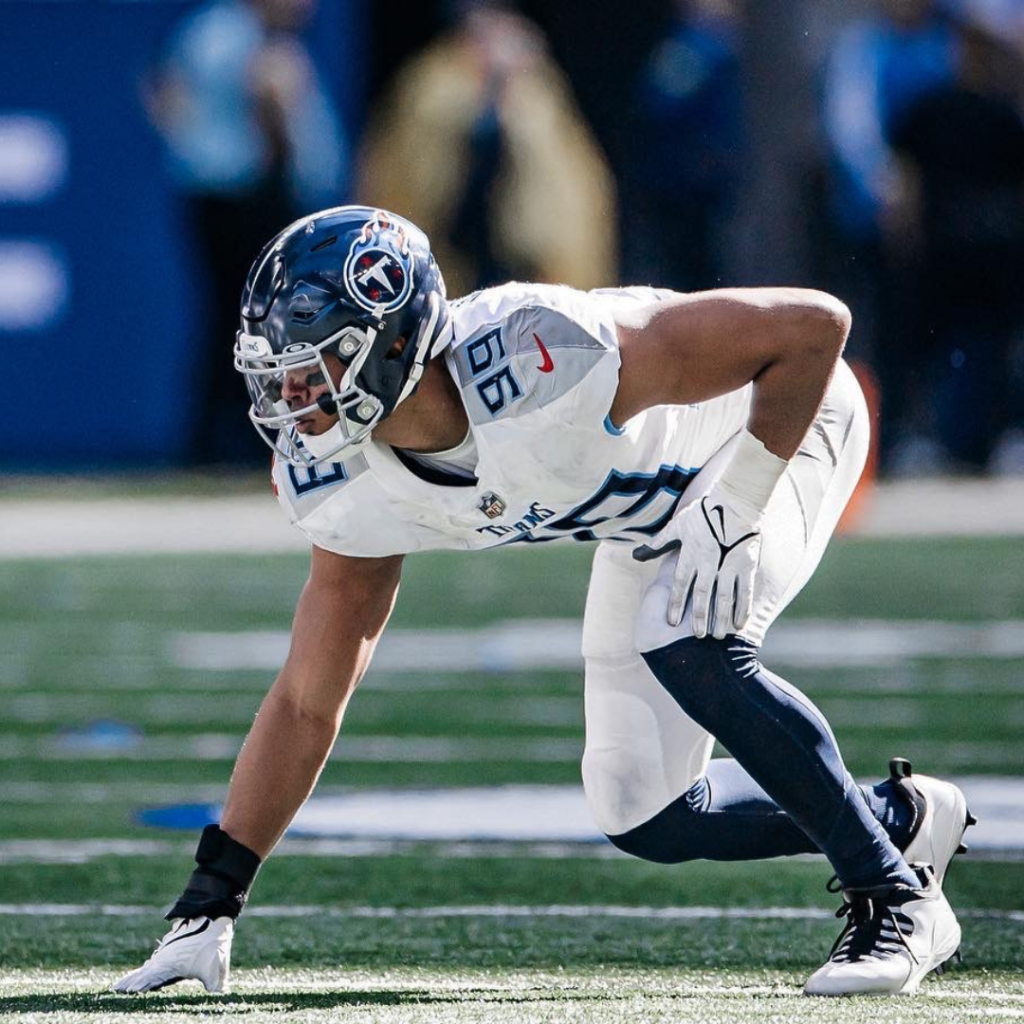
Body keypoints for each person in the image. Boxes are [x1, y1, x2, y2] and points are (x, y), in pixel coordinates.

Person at [113, 205, 975, 998]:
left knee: (685, 634)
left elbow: (812, 329)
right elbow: (308, 699)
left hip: (777, 429)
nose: (294, 400)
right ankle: (899, 820)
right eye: (282, 375)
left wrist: (741, 500)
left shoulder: (536, 356)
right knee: (645, 810)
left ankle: (897, 903)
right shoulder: (342, 480)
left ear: (387, 345)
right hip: (655, 513)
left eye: (317, 367)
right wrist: (211, 900)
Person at [144, 0, 346, 466]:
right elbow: (269, 101)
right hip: (239, 196)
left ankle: (228, 433)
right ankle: (233, 434)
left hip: (232, 191)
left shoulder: (219, 32)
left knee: (237, 318)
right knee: (247, 319)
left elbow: (163, 90)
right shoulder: (234, 35)